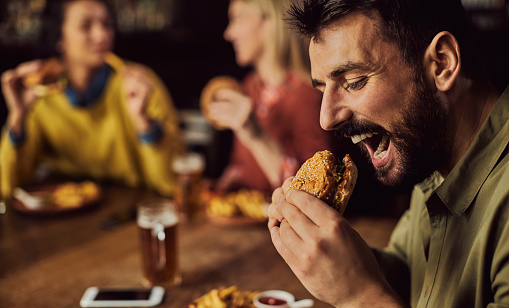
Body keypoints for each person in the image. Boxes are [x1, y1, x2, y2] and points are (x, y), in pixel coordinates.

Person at [267, 0, 509, 308]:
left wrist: (360, 298)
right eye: (322, 88)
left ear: (441, 63)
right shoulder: (435, 154)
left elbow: (374, 296)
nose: (326, 118)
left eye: (353, 81)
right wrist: (330, 258)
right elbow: (407, 274)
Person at [0, 0, 183, 198]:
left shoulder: (141, 86)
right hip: (67, 219)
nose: (102, 35)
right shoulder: (40, 95)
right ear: (59, 38)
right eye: (86, 26)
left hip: (129, 214)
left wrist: (143, 122)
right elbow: (8, 187)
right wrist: (17, 117)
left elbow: (172, 184)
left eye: (107, 25)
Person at [206, 0, 337, 193]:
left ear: (270, 20)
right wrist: (227, 182)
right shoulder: (250, 87)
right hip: (248, 221)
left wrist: (256, 136)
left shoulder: (309, 96)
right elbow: (243, 165)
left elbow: (314, 191)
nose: (228, 33)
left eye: (238, 18)